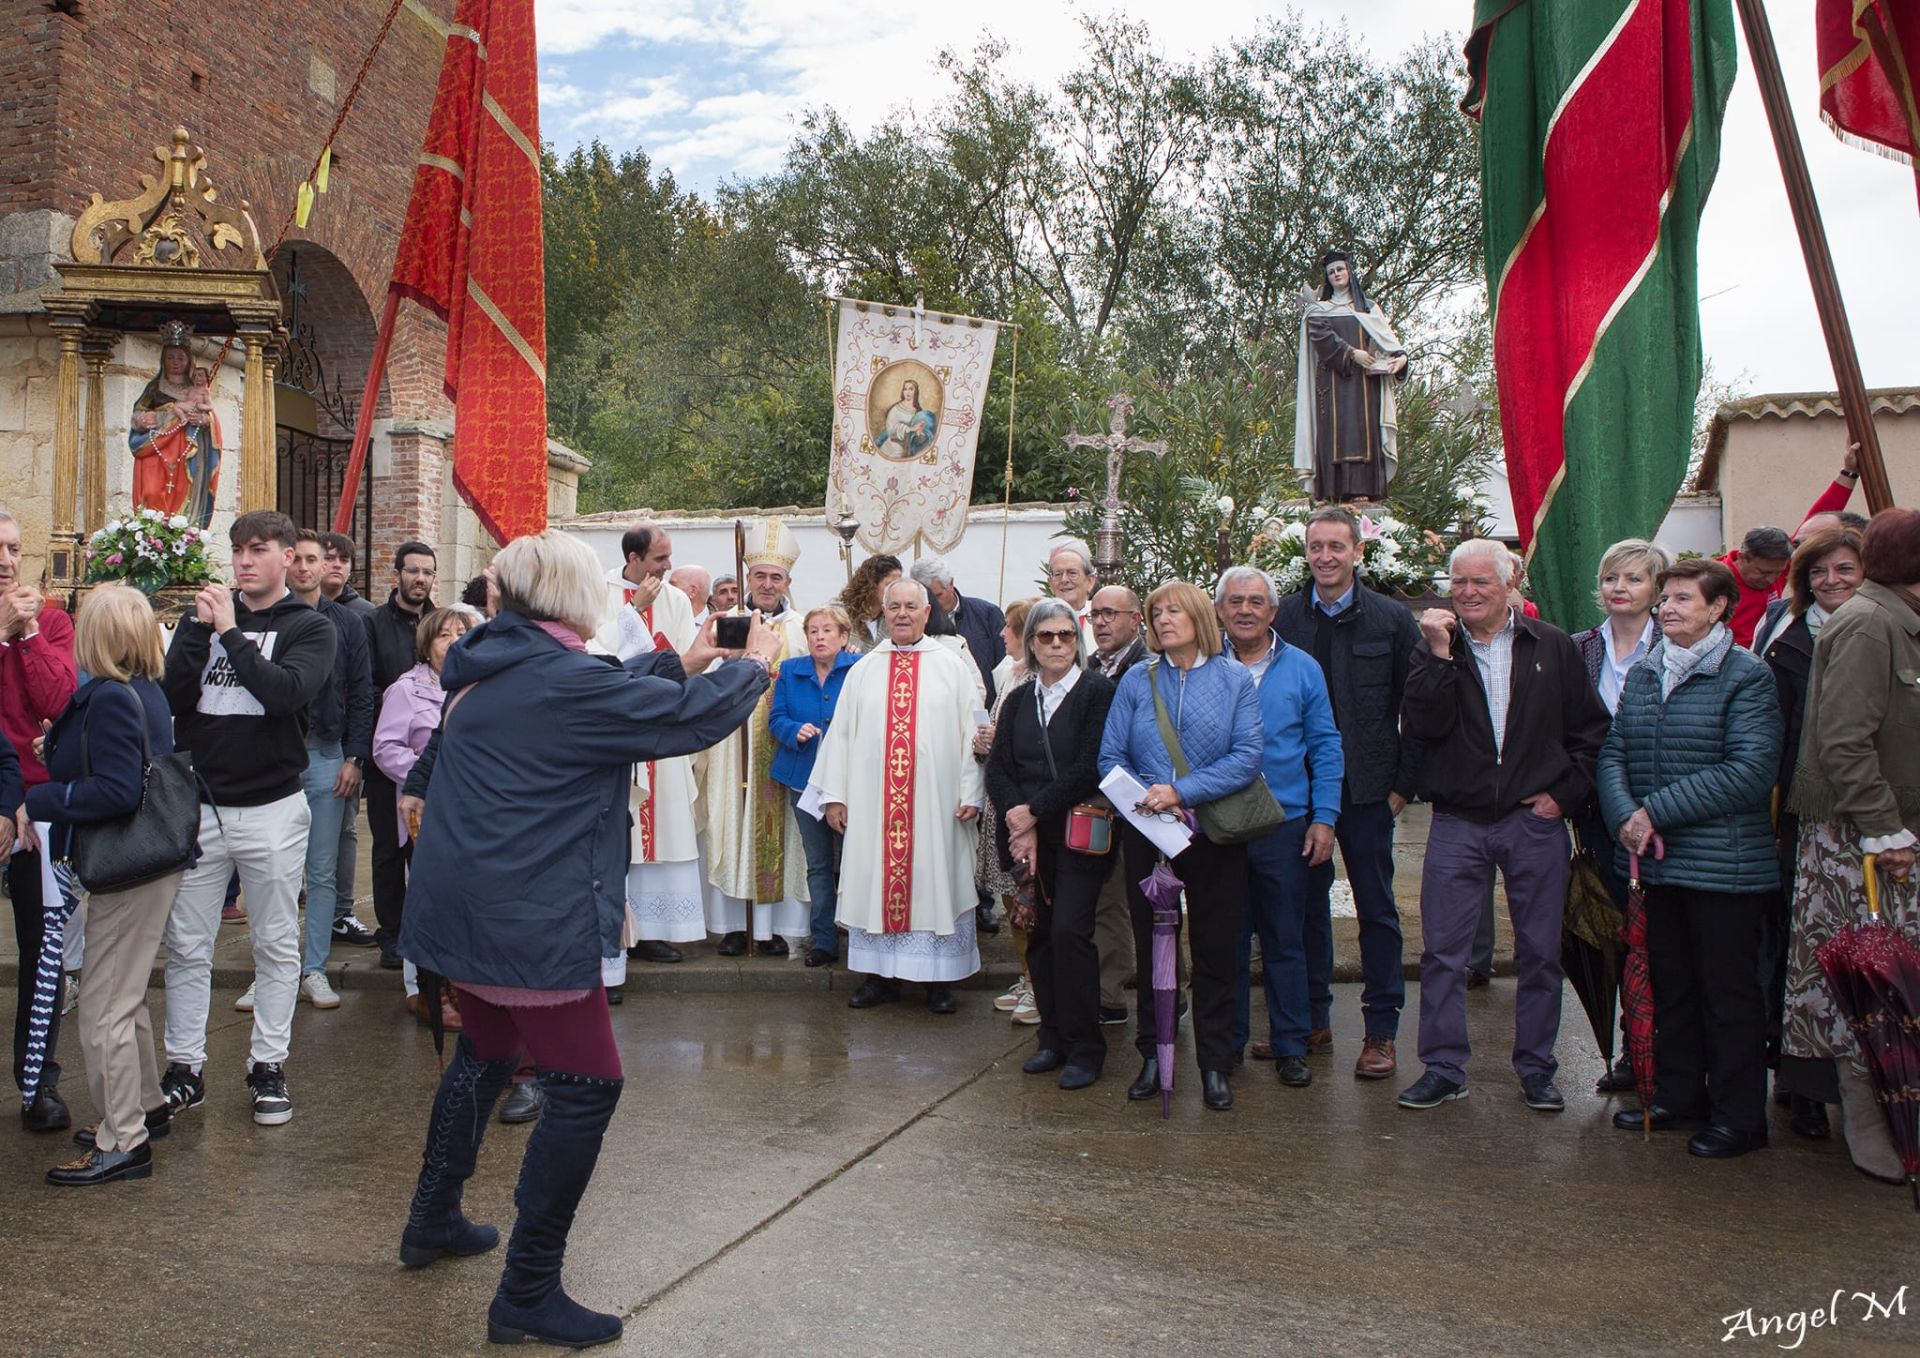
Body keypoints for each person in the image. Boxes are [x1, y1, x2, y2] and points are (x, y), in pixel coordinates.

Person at [396, 529, 778, 1350]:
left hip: (465, 912)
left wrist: (688, 654)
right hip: (526, 916)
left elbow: (599, 690)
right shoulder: (559, 676)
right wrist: (754, 665)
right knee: (588, 1087)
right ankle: (528, 1291)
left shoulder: (497, 659)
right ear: (572, 598)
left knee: (486, 1057)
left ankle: (433, 1218)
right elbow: (673, 720)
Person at [1398, 539, 1608, 1114]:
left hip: (1531, 823)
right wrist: (1437, 654)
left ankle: (1537, 1069)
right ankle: (1443, 1068)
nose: (1466, 593)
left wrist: (1562, 796)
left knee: (1541, 952)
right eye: (1457, 583)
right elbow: (1422, 724)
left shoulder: (1554, 647)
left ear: (1509, 582)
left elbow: (1590, 734)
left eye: (1479, 583)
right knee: (1443, 954)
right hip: (1458, 823)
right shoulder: (1437, 649)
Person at [1600, 557, 1782, 1158]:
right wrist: (1626, 814)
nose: (1668, 609)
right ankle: (1678, 1097)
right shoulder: (1649, 671)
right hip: (1659, 863)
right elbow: (1615, 750)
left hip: (1724, 867)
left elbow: (1750, 772)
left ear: (1718, 607)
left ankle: (1739, 1116)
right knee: (1672, 985)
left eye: (1682, 599)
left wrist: (1655, 813)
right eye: (1667, 600)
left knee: (1726, 993)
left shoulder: (1746, 676)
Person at [160, 509, 336, 1126]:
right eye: (237, 551)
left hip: (271, 809)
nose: (242, 561)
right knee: (186, 944)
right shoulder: (203, 620)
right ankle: (184, 1068)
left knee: (274, 944)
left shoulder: (310, 627)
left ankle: (268, 1066)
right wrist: (195, 635)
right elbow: (172, 700)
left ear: (287, 556)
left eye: (257, 550)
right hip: (202, 804)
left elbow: (284, 694)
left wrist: (232, 634)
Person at [1780, 507, 1920, 1188]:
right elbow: (1842, 741)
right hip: (1860, 842)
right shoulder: (1871, 623)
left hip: (1885, 833)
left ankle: (1895, 1123)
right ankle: (1871, 1129)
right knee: (1866, 982)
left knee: (1894, 982)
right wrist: (1883, 827)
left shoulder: (1895, 618)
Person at [25, 586, 179, 1184]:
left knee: (102, 1009)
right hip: (145, 865)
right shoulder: (141, 692)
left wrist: (43, 796)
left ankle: (124, 1139)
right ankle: (143, 1105)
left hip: (126, 868)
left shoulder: (112, 697)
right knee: (125, 997)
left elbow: (118, 791)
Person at [1098, 580, 1265, 1112]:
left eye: (1173, 610)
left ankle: (1215, 1064)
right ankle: (1154, 1054)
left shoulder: (1235, 679)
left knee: (1215, 950)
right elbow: (1109, 757)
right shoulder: (1136, 681)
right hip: (1149, 834)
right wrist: (1145, 799)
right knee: (1152, 950)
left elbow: (1247, 757)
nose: (1163, 619)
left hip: (1212, 833)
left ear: (1198, 616)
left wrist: (1182, 792)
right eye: (1155, 612)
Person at [1273, 507, 1422, 1078]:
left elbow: (1420, 707)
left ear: (1358, 552)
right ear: (1306, 552)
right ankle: (1311, 1020)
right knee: (1304, 909)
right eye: (1317, 547)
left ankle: (1380, 1032)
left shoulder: (1389, 620)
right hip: (1299, 794)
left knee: (1376, 910)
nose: (1326, 557)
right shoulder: (1283, 617)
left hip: (1365, 795)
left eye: (1337, 546)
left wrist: (1402, 788)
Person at [813, 579, 986, 1012]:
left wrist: (973, 792)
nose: (902, 614)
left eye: (912, 606)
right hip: (875, 807)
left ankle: (938, 981)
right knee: (874, 880)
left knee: (936, 880)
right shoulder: (864, 669)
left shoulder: (951, 666)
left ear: (928, 613)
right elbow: (841, 737)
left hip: (936, 805)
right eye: (894, 607)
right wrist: (835, 795)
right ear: (883, 613)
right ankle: (879, 977)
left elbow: (974, 734)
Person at [1754, 525, 1864, 1139]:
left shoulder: (1889, 632)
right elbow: (1774, 739)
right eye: (1820, 573)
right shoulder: (1788, 642)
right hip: (1803, 817)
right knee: (1801, 951)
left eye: (1845, 570)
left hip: (1878, 817)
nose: (1831, 582)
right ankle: (1802, 1085)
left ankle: (1871, 1078)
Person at [1218, 566, 1343, 1088]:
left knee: (1284, 940)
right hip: (1219, 825)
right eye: (1234, 601)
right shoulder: (1202, 665)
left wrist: (1325, 817)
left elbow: (1326, 745)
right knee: (1225, 941)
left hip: (1285, 824)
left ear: (1273, 611)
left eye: (1255, 601)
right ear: (1220, 609)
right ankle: (1227, 1047)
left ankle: (1292, 1044)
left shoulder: (1303, 668)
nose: (1245, 610)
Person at [987, 599, 1118, 1086]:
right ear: (1032, 644)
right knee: (1037, 936)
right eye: (1047, 637)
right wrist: (1018, 819)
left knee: (1069, 933)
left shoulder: (1096, 692)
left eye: (1066, 635)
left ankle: (1087, 1047)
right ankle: (1052, 1038)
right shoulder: (1020, 697)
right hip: (1029, 841)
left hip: (1078, 837)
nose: (1058, 644)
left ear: (1076, 641)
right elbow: (1000, 766)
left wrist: (1033, 811)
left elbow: (1092, 764)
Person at [1569, 537, 1673, 1092]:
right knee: (1616, 934)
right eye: (1611, 578)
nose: (1620, 589)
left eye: (1634, 579)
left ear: (1656, 590)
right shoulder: (1579, 648)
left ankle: (1667, 1053)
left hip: (1661, 814)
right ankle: (1633, 1054)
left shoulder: (1674, 645)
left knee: (1660, 937)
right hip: (1596, 812)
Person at [700, 517, 812, 955]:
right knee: (731, 823)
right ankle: (734, 925)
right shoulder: (726, 622)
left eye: (776, 577)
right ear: (747, 577)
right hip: (731, 743)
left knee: (781, 830)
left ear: (788, 581)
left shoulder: (804, 628)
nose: (767, 584)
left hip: (782, 744)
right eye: (760, 575)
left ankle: (773, 929)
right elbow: (705, 673)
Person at [0, 508, 78, 1131]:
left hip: (39, 809)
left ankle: (38, 1083)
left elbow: (58, 702)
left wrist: (24, 637)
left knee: (42, 950)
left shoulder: (50, 621)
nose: (5, 558)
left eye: (13, 547)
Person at [275, 529, 375, 1014]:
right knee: (272, 873)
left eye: (314, 560)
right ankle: (270, 973)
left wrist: (355, 757)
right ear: (288, 564)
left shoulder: (348, 624)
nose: (305, 568)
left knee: (321, 871)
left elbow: (362, 692)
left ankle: (312, 967)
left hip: (327, 754)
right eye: (298, 559)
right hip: (276, 758)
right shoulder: (268, 619)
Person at [595, 523, 703, 972]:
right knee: (618, 835)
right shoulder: (596, 590)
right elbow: (592, 650)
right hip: (612, 731)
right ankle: (615, 931)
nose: (667, 566)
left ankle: (655, 931)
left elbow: (681, 659)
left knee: (663, 826)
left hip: (659, 728)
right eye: (660, 559)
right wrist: (633, 613)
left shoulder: (676, 600)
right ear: (634, 558)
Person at [374, 606, 473, 1027]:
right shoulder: (406, 690)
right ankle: (424, 991)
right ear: (427, 643)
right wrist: (425, 776)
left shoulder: (476, 686)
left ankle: (461, 985)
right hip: (425, 810)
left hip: (469, 813)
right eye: (443, 635)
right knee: (426, 900)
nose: (452, 641)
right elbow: (385, 748)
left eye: (461, 633)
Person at [770, 605, 858, 967]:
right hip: (803, 780)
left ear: (844, 636)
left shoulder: (860, 669)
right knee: (818, 864)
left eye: (827, 630)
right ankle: (823, 941)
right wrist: (795, 731)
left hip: (851, 783)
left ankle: (861, 934)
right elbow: (777, 719)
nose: (819, 637)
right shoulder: (791, 671)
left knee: (855, 861)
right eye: (813, 631)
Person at [365, 540, 438, 969]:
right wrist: (400, 708)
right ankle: (390, 933)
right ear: (398, 574)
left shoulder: (440, 621)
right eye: (413, 571)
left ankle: (422, 929)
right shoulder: (373, 624)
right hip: (386, 756)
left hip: (429, 760)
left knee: (425, 850)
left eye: (427, 572)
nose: (420, 579)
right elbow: (365, 684)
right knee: (388, 851)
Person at [1293, 249, 1408, 502]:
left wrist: (1401, 358)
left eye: (1340, 270)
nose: (1336, 274)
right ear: (1327, 277)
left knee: (1362, 433)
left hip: (1365, 386)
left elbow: (1388, 341)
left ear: (1349, 272)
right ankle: (1330, 490)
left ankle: (1361, 490)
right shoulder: (1319, 310)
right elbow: (1321, 337)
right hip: (1331, 386)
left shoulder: (1368, 308)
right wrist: (1351, 353)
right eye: (1331, 272)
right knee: (1334, 434)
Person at [1086, 583, 1150, 1022]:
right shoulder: (1090, 666)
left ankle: (1165, 993)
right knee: (1105, 897)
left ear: (1135, 620)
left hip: (1143, 802)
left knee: (1148, 899)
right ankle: (1109, 994)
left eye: (1112, 613)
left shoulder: (1148, 667)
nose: (1102, 622)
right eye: (1095, 615)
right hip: (1096, 801)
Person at [317, 530, 378, 947]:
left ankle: (339, 911)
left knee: (344, 832)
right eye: (329, 557)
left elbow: (363, 687)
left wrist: (356, 753)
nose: (336, 565)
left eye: (344, 559)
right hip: (301, 743)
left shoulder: (361, 616)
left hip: (341, 743)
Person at [980, 597, 1040, 1022]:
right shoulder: (1011, 674)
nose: (1001, 634)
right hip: (997, 800)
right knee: (1009, 895)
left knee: (1028, 898)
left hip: (1021, 804)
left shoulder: (1035, 681)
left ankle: (1039, 984)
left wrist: (997, 737)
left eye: (1009, 627)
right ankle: (1026, 975)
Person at [128, 319, 219, 525]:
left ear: (189, 361)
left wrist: (204, 420)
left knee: (185, 491)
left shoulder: (196, 390)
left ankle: (183, 532)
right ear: (163, 360)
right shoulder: (153, 388)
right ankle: (151, 534)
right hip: (156, 451)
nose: (175, 362)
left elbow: (211, 417)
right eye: (170, 357)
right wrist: (142, 420)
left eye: (180, 357)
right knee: (151, 491)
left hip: (186, 452)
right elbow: (138, 414)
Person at [912, 556, 1006, 705]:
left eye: (937, 596)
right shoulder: (914, 625)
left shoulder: (987, 614)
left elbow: (1004, 664)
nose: (931, 603)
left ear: (950, 584)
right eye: (923, 598)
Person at [1719, 526, 1794, 649]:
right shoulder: (1713, 583)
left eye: (1779, 572)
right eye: (1764, 573)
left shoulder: (1778, 566)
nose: (1772, 580)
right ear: (1742, 558)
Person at [834, 553, 902, 654]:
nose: (895, 590)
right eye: (889, 585)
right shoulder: (838, 613)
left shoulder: (892, 617)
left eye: (898, 585)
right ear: (872, 584)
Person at [1046, 543, 1098, 651]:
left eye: (1072, 573)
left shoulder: (1102, 619)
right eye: (1058, 574)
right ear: (1050, 583)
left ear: (1090, 581)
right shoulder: (1038, 619)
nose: (1064, 580)